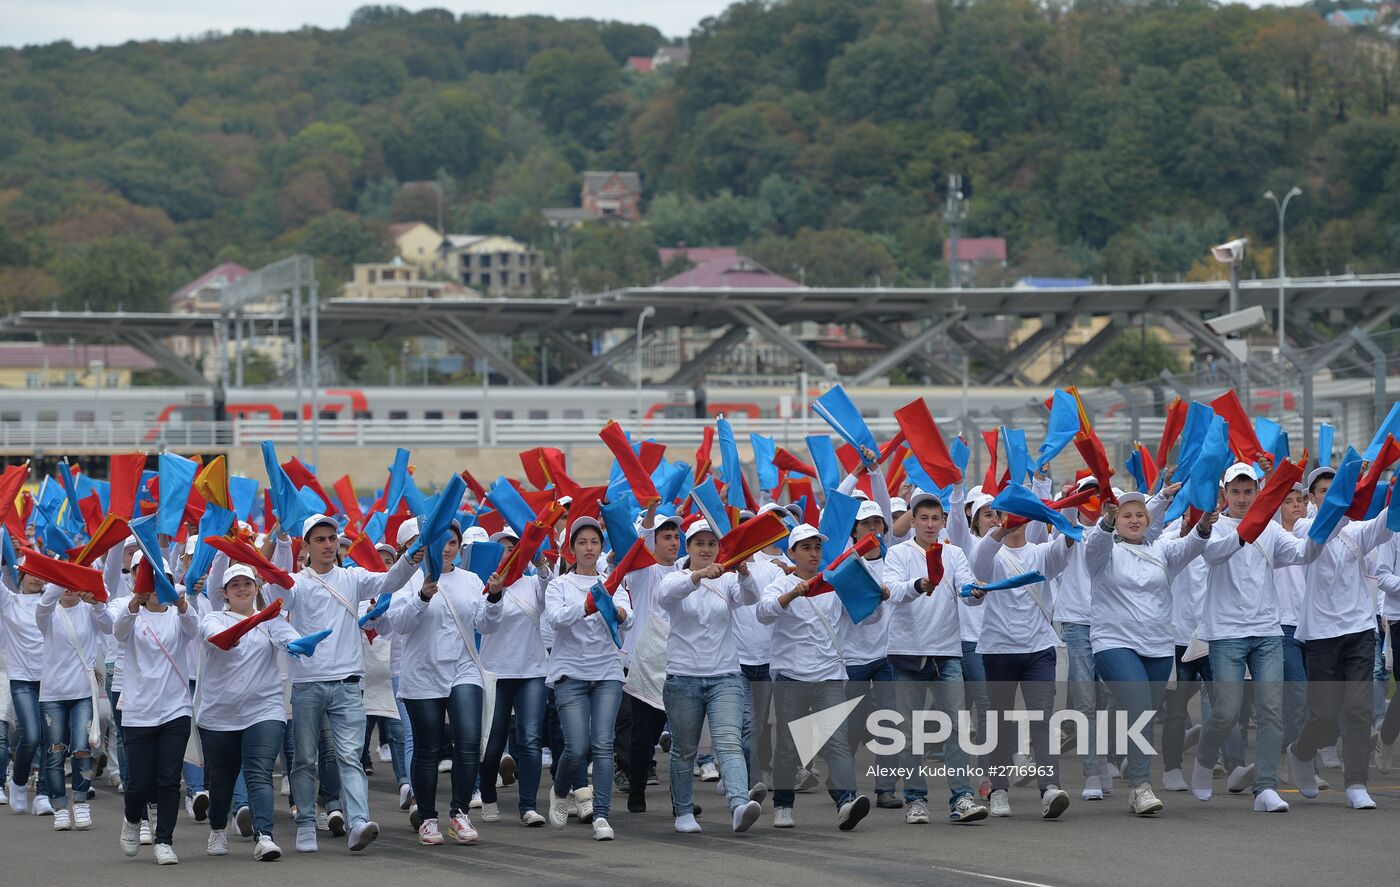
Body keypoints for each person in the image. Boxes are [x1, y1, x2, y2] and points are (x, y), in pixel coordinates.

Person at [267, 513, 422, 853]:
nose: (327, 545)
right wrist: (280, 541)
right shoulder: (299, 582)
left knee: (350, 756)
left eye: (331, 539)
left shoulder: (352, 577)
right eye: (319, 539)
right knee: (305, 758)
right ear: (306, 546)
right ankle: (306, 822)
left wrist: (411, 558)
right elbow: (273, 592)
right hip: (308, 683)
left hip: (349, 682)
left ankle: (357, 823)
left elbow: (389, 581)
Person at [1194, 463, 1329, 812]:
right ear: (1225, 494)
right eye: (1235, 492)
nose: (1241, 498)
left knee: (1272, 711)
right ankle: (1206, 760)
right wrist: (1245, 530)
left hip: (1267, 631)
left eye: (1248, 491)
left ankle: (1265, 787)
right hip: (1225, 633)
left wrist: (1327, 524)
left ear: (1258, 493)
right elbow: (1216, 554)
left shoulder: (1270, 530)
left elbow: (1304, 554)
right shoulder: (1215, 529)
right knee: (1226, 711)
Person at [1085, 492, 1215, 815]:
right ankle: (1141, 786)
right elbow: (1093, 547)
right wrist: (1105, 522)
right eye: (1126, 515)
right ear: (1117, 519)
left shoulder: (1162, 550)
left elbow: (1190, 548)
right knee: (1140, 704)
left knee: (1142, 712)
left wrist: (1201, 526)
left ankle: (1132, 764)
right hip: (1113, 642)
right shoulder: (1105, 551)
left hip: (1157, 646)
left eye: (1139, 515)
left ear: (1148, 520)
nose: (1133, 520)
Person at [375, 520, 489, 846]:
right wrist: (422, 597)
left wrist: (494, 599)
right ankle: (427, 817)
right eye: (441, 542)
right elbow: (398, 622)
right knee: (427, 748)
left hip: (463, 667)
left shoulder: (470, 580)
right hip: (422, 670)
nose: (447, 547)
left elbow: (486, 624)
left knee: (468, 742)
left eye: (453, 541)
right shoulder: (409, 580)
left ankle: (459, 813)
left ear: (459, 545)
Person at [1286, 470, 1393, 810]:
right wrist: (1343, 506)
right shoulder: (1305, 528)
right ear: (1312, 498)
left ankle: (1357, 783)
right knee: (1324, 715)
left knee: (1359, 710)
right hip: (1321, 633)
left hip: (1360, 629)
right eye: (1323, 491)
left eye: (1337, 490)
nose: (1330, 496)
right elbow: (1324, 533)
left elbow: (1388, 521)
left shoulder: (1358, 530)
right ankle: (1301, 752)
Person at [967, 489, 1076, 820]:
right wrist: (1000, 528)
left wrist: (1069, 504)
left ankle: (1050, 789)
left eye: (1019, 515)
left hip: (1039, 649)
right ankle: (998, 789)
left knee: (1042, 719)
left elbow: (1067, 542)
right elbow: (978, 563)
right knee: (1000, 723)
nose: (1014, 521)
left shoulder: (1042, 553)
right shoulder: (990, 552)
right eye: (1005, 515)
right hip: (998, 650)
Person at [756, 523, 872, 832]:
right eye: (806, 548)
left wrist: (877, 595)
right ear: (792, 552)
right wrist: (792, 594)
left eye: (817, 548)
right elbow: (764, 612)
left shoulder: (834, 584)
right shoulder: (781, 583)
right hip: (791, 677)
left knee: (837, 744)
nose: (813, 553)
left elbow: (867, 616)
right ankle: (782, 803)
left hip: (830, 676)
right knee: (788, 746)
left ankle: (846, 802)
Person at [883, 491, 988, 825]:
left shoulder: (954, 553)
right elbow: (893, 593)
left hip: (947, 653)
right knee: (911, 732)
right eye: (923, 518)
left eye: (935, 518)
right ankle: (916, 799)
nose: (930, 524)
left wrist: (976, 592)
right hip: (909, 653)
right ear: (912, 521)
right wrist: (920, 584)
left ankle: (962, 798)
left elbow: (967, 591)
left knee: (957, 727)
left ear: (944, 521)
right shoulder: (898, 553)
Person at [655, 519, 764, 834]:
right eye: (699, 544)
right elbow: (666, 596)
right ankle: (684, 812)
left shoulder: (727, 579)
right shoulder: (674, 576)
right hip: (682, 678)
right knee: (685, 749)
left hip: (725, 676)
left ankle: (739, 806)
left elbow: (752, 597)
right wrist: (698, 576)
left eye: (712, 544)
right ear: (688, 547)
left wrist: (743, 573)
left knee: (728, 743)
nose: (706, 549)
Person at [197, 560, 298, 861]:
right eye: (235, 585)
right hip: (219, 713)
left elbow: (289, 638)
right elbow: (223, 642)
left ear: (257, 589)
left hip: (263, 708)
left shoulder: (272, 621)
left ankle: (264, 836)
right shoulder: (213, 619)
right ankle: (217, 829)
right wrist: (258, 620)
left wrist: (300, 644)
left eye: (247, 584)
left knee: (259, 772)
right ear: (225, 592)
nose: (242, 589)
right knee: (223, 777)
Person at [544, 516, 632, 841]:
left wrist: (621, 613)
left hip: (607, 672)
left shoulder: (613, 583)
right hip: (571, 674)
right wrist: (587, 605)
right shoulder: (559, 586)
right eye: (582, 542)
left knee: (603, 745)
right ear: (572, 550)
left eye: (594, 541)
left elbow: (628, 618)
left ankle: (601, 816)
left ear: (601, 546)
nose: (589, 547)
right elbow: (556, 619)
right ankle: (560, 789)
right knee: (577, 747)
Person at [111, 553, 198, 865]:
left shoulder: (179, 614)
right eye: (148, 579)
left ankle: (164, 840)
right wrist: (135, 603)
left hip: (175, 709)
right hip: (138, 710)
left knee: (168, 779)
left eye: (162, 579)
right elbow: (118, 632)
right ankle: (133, 819)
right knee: (139, 783)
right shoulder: (130, 614)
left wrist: (181, 603)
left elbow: (194, 628)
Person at [478, 527, 552, 827]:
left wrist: (542, 564)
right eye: (504, 550)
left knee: (530, 739)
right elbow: (484, 625)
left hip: (532, 670)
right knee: (493, 742)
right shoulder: (485, 585)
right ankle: (488, 797)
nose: (509, 554)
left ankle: (528, 806)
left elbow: (551, 597)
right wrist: (495, 595)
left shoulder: (535, 583)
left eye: (514, 548)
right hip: (496, 671)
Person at [35, 576, 113, 831]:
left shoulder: (89, 610)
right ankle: (59, 807)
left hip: (82, 693)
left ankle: (80, 802)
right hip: (53, 694)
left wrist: (97, 601)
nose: (68, 588)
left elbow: (110, 626)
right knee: (55, 752)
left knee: (81, 749)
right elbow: (45, 603)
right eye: (61, 582)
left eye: (72, 582)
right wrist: (63, 575)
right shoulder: (47, 613)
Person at [620, 509, 683, 814]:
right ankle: (637, 789)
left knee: (684, 734)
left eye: (676, 536)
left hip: (680, 662)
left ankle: (680, 801)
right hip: (645, 661)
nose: (674, 542)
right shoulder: (643, 573)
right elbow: (637, 545)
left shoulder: (685, 571)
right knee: (644, 733)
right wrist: (649, 519)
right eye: (666, 537)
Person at [1, 559, 54, 815]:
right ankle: (19, 782)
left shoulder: (50, 602)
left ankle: (43, 793)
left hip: (52, 680)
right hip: (22, 679)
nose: (36, 578)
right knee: (31, 736)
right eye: (30, 573)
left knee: (50, 739)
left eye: (40, 574)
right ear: (19, 575)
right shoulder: (10, 601)